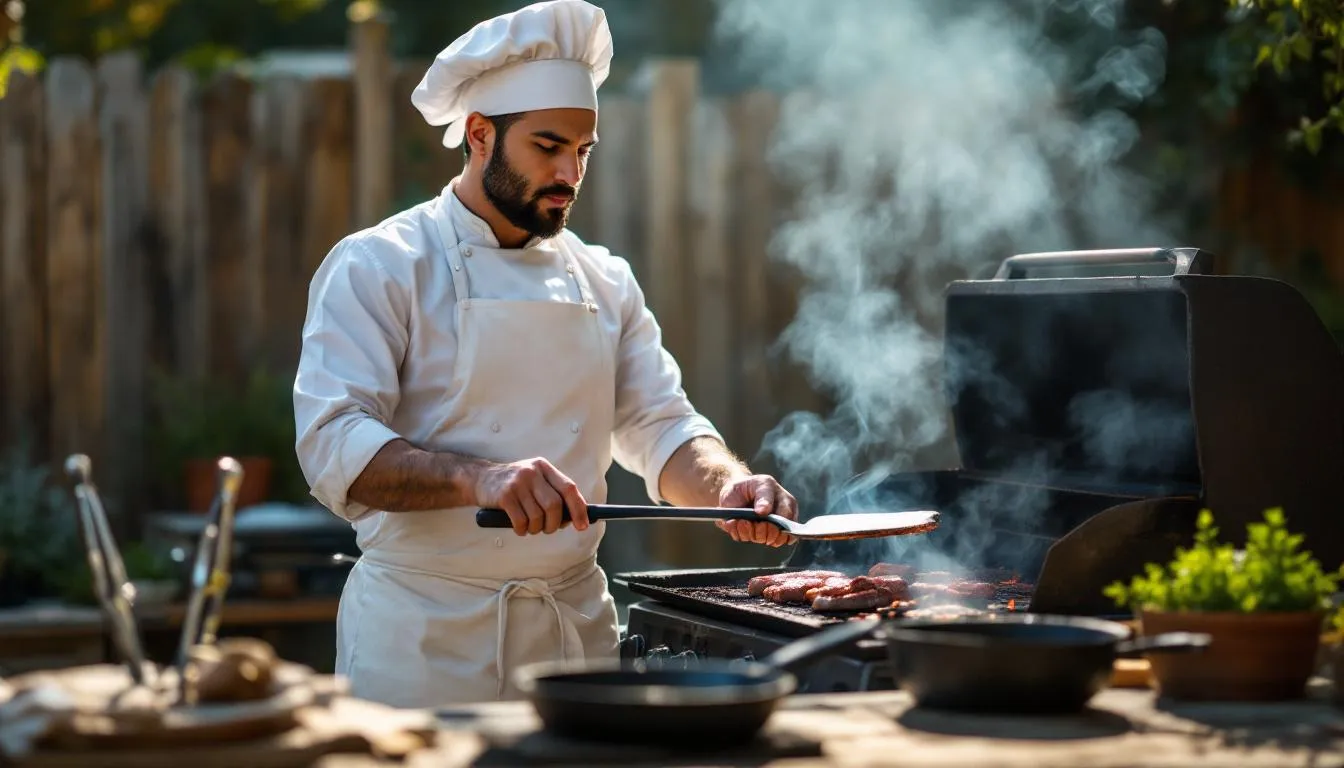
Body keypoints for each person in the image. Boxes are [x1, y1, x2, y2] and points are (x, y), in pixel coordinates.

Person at [292, 0, 799, 709]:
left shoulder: (603, 279)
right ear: (478, 135)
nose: (569, 172)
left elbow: (660, 423)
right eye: (548, 145)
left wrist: (725, 488)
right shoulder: (380, 265)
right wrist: (483, 481)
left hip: (575, 641)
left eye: (583, 152)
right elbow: (334, 446)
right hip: (420, 645)